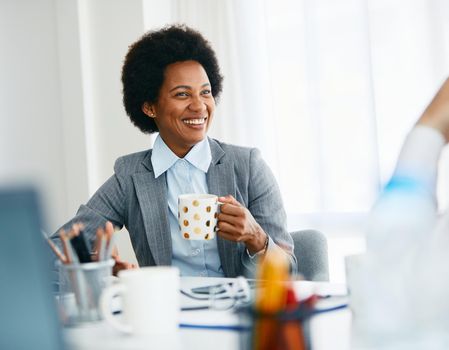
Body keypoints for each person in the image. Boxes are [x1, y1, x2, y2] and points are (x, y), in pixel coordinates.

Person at [53, 24, 296, 277]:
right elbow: (60, 250)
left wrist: (257, 238)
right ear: (149, 107)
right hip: (167, 312)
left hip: (240, 312)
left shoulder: (248, 165)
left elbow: (289, 272)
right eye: (182, 94)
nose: (199, 106)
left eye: (205, 92)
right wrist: (99, 269)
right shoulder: (130, 177)